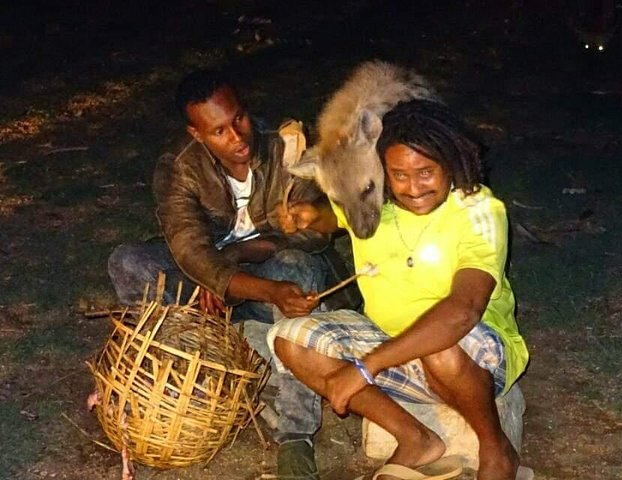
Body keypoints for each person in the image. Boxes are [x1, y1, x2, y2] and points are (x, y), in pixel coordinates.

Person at [107, 68, 357, 479]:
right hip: (231, 283)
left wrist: (253, 256)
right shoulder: (180, 167)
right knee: (129, 262)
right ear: (196, 133)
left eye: (238, 118)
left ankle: (296, 436)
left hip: (274, 273)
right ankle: (188, 364)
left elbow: (315, 243)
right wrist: (224, 275)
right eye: (219, 131)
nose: (237, 138)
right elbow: (189, 249)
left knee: (298, 269)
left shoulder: (284, 147)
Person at [273, 100, 530, 480]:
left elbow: (463, 311)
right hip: (393, 347)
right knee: (290, 340)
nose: (413, 188)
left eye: (426, 172)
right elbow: (338, 215)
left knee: (441, 347)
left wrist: (366, 367)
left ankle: (495, 448)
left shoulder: (478, 210)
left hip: (473, 357)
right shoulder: (376, 203)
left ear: (451, 163)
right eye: (399, 175)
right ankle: (416, 437)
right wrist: (314, 217)